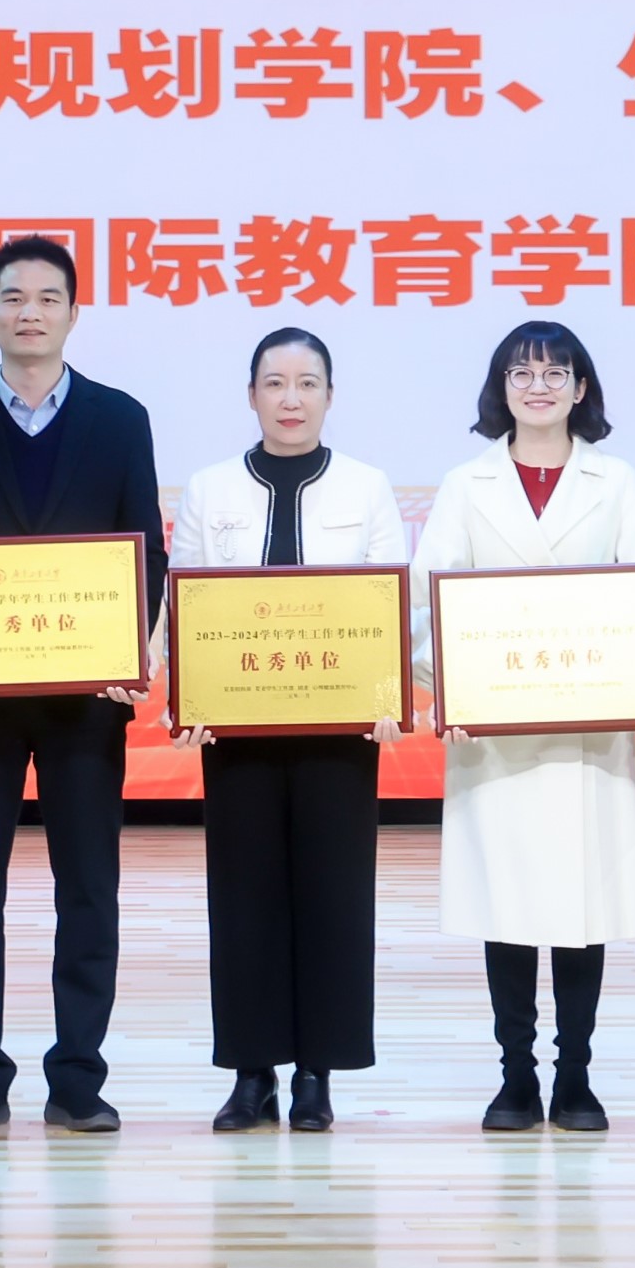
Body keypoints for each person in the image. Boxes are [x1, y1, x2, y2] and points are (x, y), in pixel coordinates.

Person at [0, 234, 167, 1135]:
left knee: (87, 890)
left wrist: (126, 651)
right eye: (12, 297)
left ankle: (77, 1078)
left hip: (84, 702)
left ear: (73, 313)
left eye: (48, 298)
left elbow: (146, 550)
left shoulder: (119, 419)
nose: (29, 313)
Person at [411, 319, 635, 1134]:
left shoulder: (616, 481)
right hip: (494, 739)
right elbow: (426, 605)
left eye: (555, 372)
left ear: (580, 388)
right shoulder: (466, 486)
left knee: (579, 906)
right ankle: (514, 1078)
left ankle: (574, 1077)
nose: (538, 386)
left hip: (584, 741)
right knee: (506, 906)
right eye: (521, 372)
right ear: (500, 387)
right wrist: (452, 687)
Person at [165, 326, 409, 1133]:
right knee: (244, 902)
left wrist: (387, 694)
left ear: (330, 396)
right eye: (274, 383)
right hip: (237, 733)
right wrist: (189, 699)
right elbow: (183, 600)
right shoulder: (209, 489)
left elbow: (389, 603)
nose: (291, 398)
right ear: (251, 396)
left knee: (335, 899)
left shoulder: (367, 487)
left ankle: (315, 1074)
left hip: (340, 734)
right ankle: (251, 1073)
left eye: (307, 383)